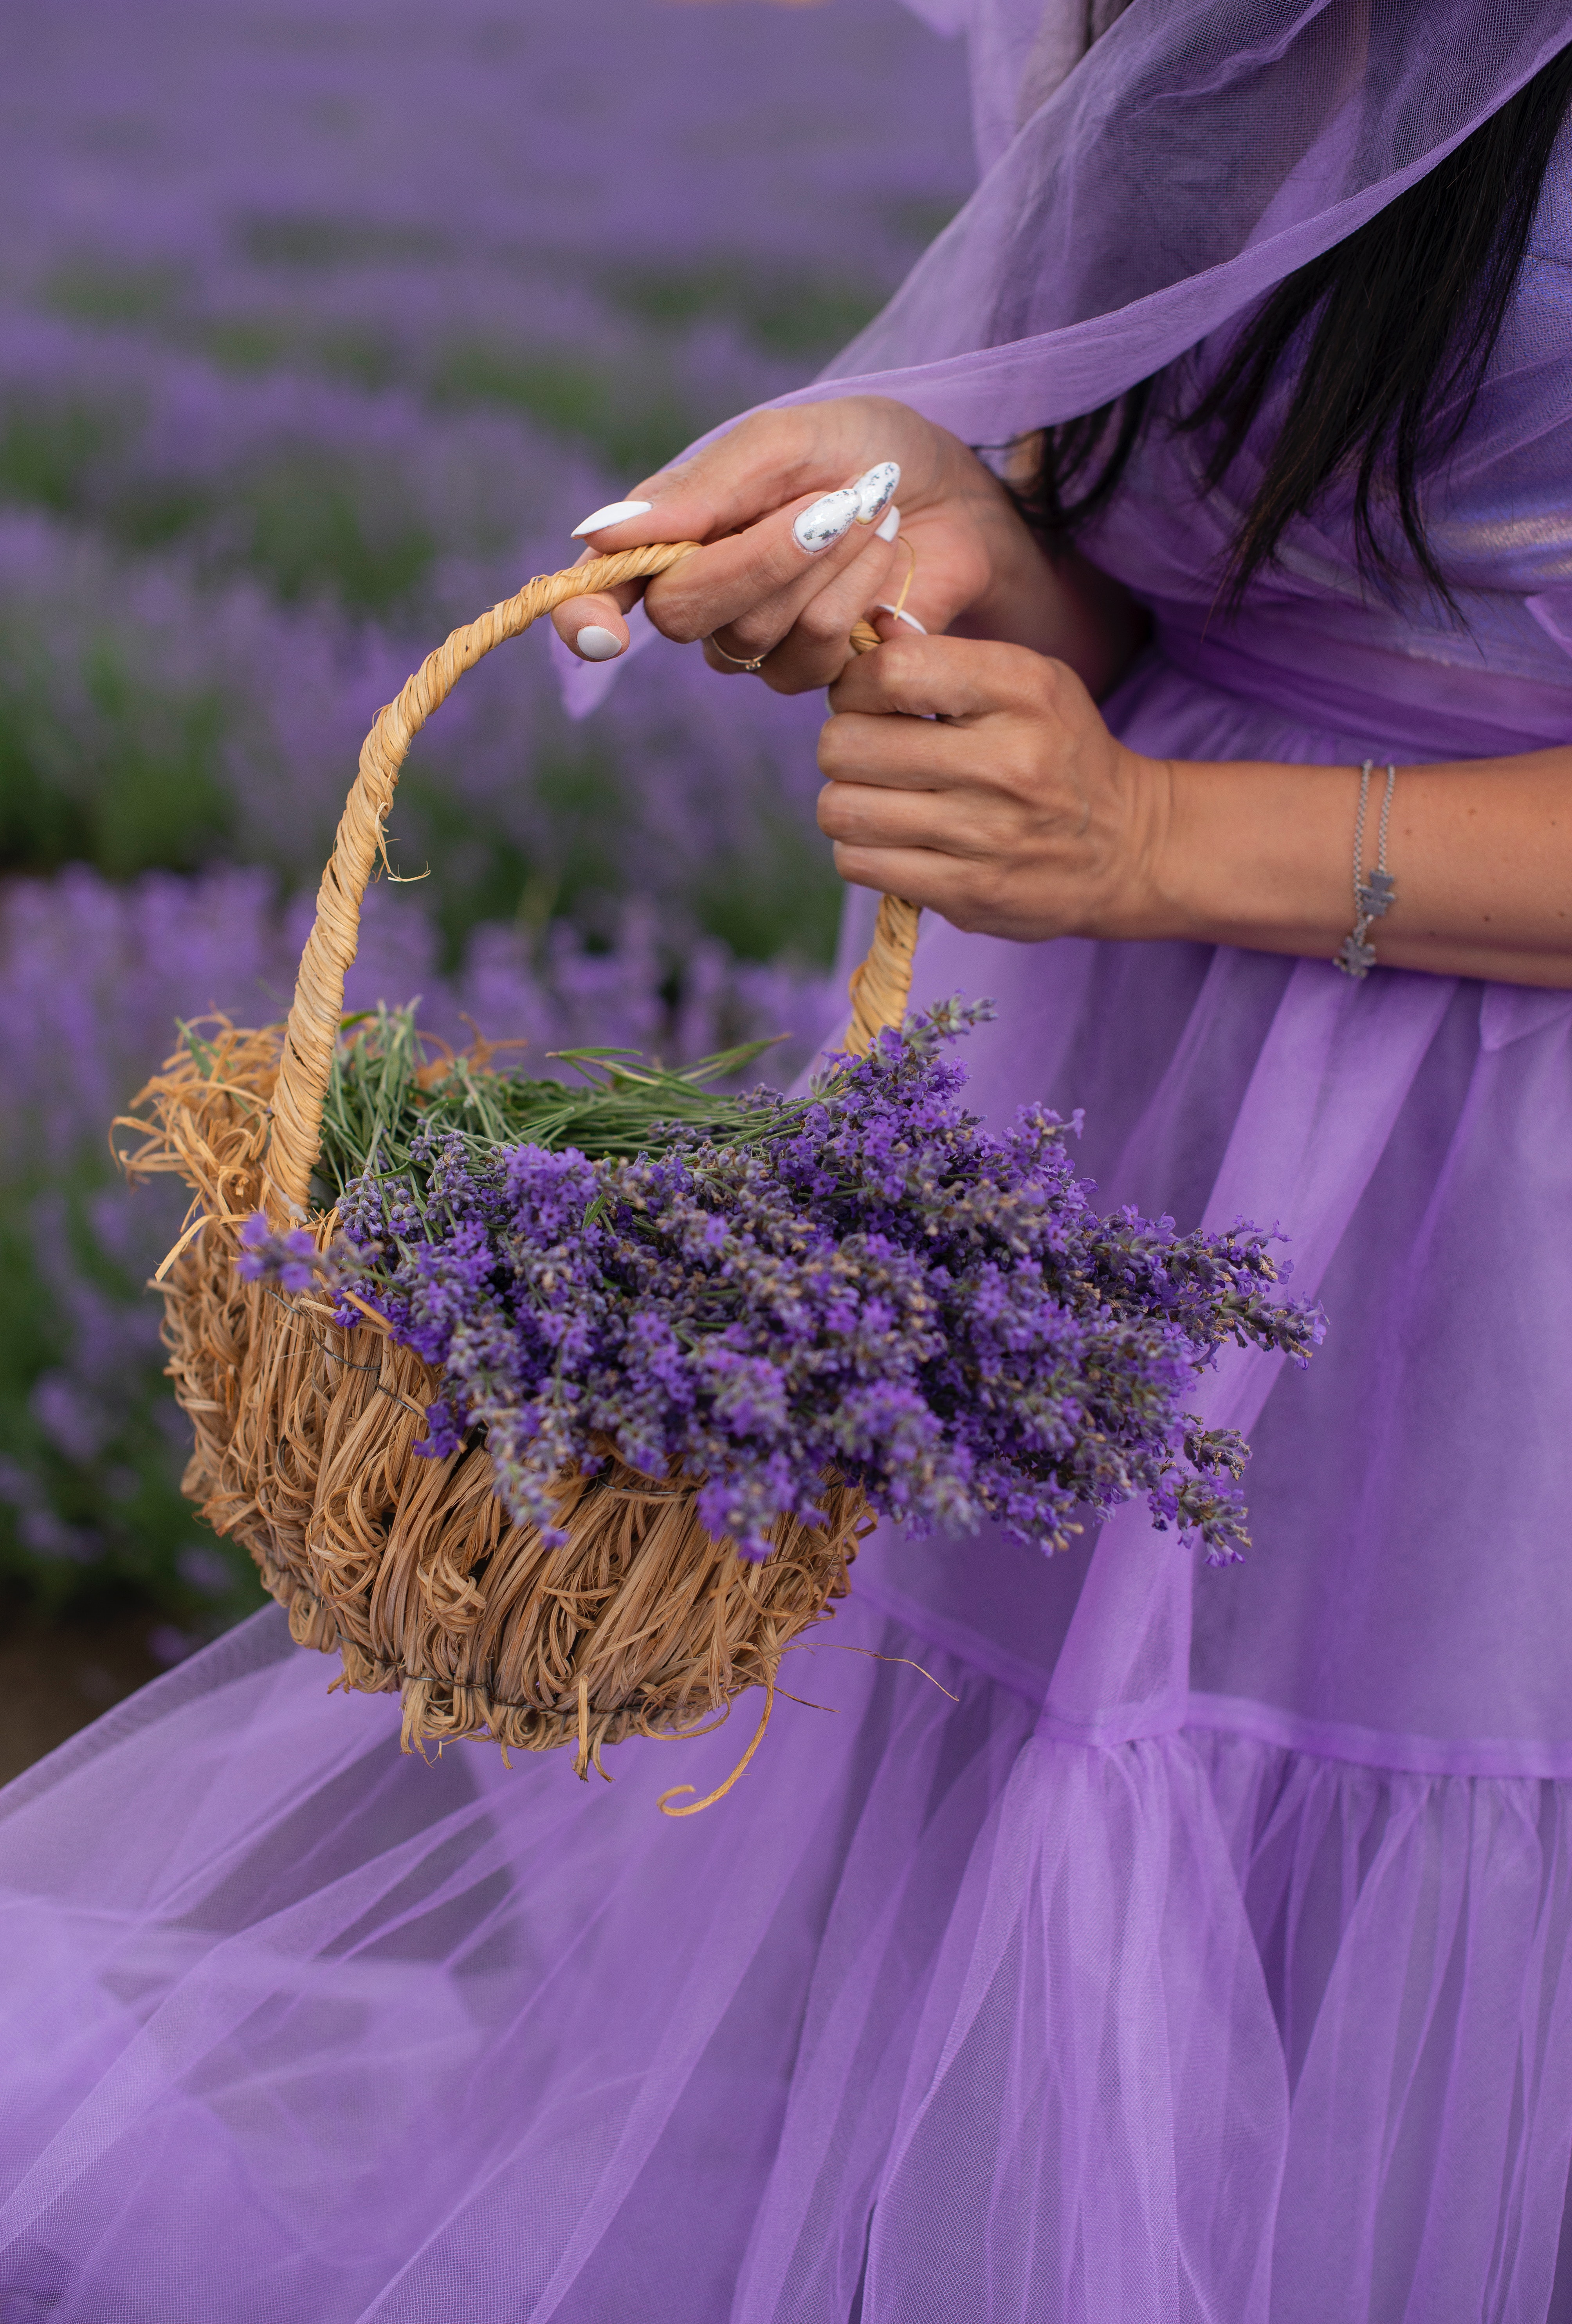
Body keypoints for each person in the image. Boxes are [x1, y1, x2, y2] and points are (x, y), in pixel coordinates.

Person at [5, 3, 1572, 2317]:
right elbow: (1203, 559)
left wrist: (1149, 830)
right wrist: (950, 528)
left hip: (1499, 1191)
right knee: (1010, 1964)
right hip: (1123, 1122)